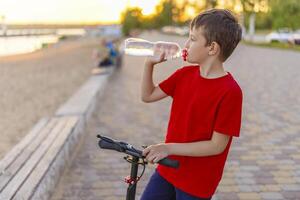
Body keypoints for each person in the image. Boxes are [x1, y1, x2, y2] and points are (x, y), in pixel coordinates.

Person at [140, 9, 243, 200]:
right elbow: (148, 95)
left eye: (193, 39)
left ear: (212, 48)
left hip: (197, 182)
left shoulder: (230, 91)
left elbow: (216, 146)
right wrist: (149, 64)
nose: (186, 45)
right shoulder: (183, 75)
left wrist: (168, 148)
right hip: (168, 170)